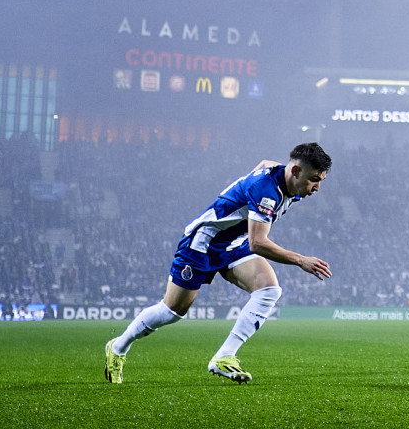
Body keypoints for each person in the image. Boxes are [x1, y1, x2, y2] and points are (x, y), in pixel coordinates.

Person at [103, 143, 333, 385]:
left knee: (269, 289)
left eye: (320, 180)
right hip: (203, 242)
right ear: (295, 171)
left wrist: (243, 190)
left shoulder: (285, 177)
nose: (317, 187)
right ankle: (118, 347)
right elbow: (258, 243)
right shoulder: (266, 192)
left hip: (233, 243)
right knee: (172, 311)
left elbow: (266, 163)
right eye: (314, 179)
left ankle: (224, 356)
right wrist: (301, 260)